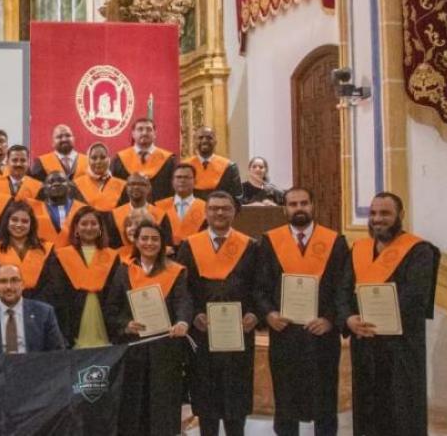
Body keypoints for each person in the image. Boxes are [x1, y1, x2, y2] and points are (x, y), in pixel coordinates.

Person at [337, 192, 440, 436]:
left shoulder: (419, 251)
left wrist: (380, 319)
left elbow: (415, 297)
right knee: (368, 411)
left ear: (400, 216)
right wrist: (349, 319)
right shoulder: (358, 250)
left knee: (402, 411)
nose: (377, 219)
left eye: (385, 213)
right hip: (365, 347)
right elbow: (341, 292)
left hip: (400, 348)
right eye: (373, 213)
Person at [255, 187, 349, 436]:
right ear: (284, 208)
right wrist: (269, 314)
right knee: (286, 396)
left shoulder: (335, 241)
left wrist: (330, 320)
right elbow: (259, 287)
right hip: (285, 332)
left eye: (303, 203)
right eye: (293, 204)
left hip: (321, 334)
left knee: (325, 395)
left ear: (312, 206)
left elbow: (343, 287)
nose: (299, 208)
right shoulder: (270, 241)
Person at [176, 191, 260, 436]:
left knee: (237, 398)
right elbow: (182, 289)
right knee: (206, 399)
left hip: (239, 333)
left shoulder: (250, 246)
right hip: (203, 335)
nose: (219, 213)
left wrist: (255, 314)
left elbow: (260, 285)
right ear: (206, 212)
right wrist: (193, 316)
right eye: (214, 208)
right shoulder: (190, 246)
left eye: (225, 208)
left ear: (234, 212)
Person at [103, 219, 193, 436]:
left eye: (155, 239)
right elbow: (111, 308)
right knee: (133, 407)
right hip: (133, 349)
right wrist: (125, 325)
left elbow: (183, 301)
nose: (149, 243)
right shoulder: (124, 271)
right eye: (144, 238)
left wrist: (182, 322)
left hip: (165, 351)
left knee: (163, 407)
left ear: (162, 243)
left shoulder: (176, 271)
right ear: (136, 240)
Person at [44, 206, 120, 349]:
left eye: (93, 223)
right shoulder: (61, 256)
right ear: (76, 229)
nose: (89, 227)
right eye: (84, 224)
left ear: (100, 228)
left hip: (104, 318)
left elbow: (115, 293)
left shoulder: (112, 256)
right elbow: (58, 293)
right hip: (72, 319)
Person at [0, 264, 64, 355]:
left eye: (14, 280)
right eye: (3, 281)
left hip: (34, 371)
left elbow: (57, 353)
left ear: (23, 284)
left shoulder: (44, 312)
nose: (9, 286)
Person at [0, 201, 53, 299]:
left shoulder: (45, 249)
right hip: (5, 305)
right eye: (14, 220)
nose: (19, 225)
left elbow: (51, 284)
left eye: (25, 221)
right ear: (7, 222)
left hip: (40, 306)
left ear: (32, 224)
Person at [110, 118, 175, 201]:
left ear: (155, 134)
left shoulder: (168, 160)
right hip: (127, 211)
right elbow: (113, 190)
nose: (144, 133)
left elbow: (173, 191)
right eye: (140, 129)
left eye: (149, 129)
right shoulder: (119, 160)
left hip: (158, 211)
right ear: (133, 134)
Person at [109, 173, 170, 248]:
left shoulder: (160, 215)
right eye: (132, 184)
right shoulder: (114, 215)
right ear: (126, 188)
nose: (136, 187)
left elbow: (167, 245)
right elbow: (111, 245)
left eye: (141, 184)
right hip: (122, 258)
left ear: (149, 188)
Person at [183, 126, 242, 201]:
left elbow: (237, 196)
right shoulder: (184, 167)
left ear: (215, 141)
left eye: (209, 138)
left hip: (220, 210)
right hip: (192, 211)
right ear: (194, 142)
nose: (204, 141)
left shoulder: (229, 167)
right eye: (200, 138)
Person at [27, 171, 85, 247]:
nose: (56, 184)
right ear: (44, 190)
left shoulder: (83, 209)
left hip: (74, 255)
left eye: (61, 181)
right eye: (51, 182)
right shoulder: (33, 210)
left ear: (69, 187)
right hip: (44, 255)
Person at [156, 163, 207, 247]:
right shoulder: (159, 207)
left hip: (195, 253)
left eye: (187, 177)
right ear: (172, 181)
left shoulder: (205, 208)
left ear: (195, 181)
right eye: (178, 177)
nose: (182, 180)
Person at [73, 142, 127, 213]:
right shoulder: (75, 185)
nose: (98, 161)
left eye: (103, 157)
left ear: (109, 159)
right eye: (94, 158)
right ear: (88, 160)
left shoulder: (122, 186)